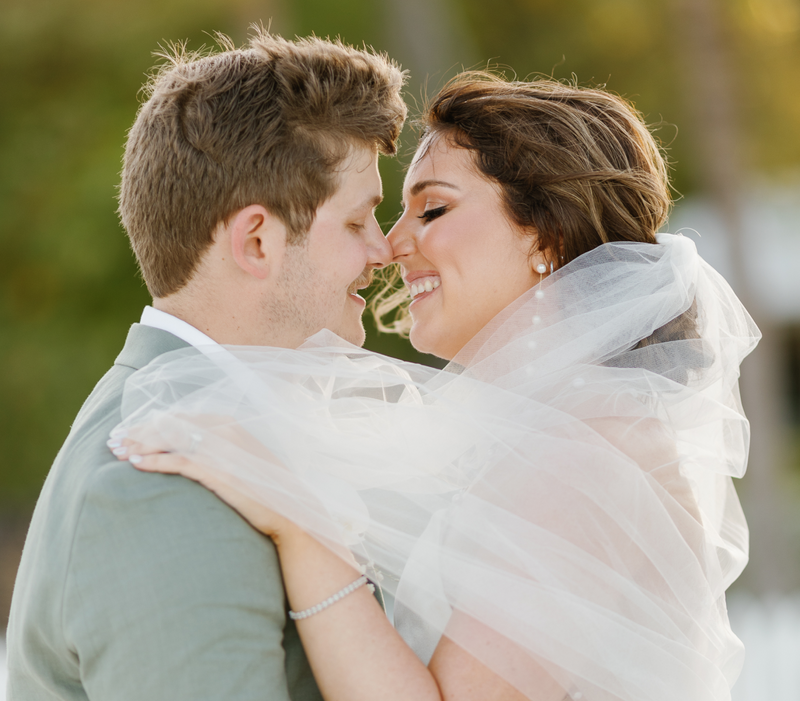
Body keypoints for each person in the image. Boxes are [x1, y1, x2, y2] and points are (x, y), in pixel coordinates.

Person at [110, 73, 759, 701]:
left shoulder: (583, 451)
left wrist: (302, 526)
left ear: (548, 234)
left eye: (434, 208)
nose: (392, 246)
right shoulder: (560, 430)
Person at [5, 29, 406, 701]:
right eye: (359, 221)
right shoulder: (159, 479)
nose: (383, 251)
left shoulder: (217, 433)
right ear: (256, 240)